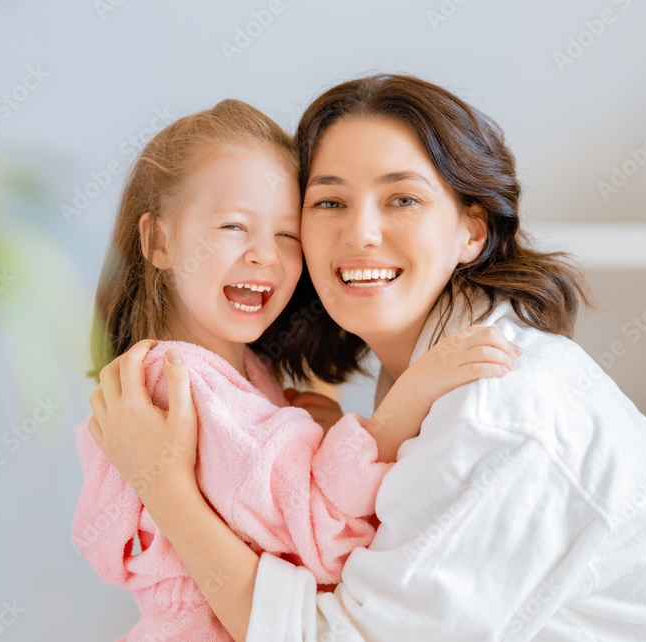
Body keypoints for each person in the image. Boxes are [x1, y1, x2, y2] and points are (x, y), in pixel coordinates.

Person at [88, 75, 646, 641]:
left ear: (471, 229)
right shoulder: (402, 376)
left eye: (402, 198)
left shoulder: (498, 413)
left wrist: (166, 488)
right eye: (329, 201)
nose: (362, 232)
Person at [72, 98, 521, 641]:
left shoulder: (245, 374)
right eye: (234, 226)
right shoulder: (180, 384)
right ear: (160, 240)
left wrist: (319, 434)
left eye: (287, 235)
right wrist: (412, 395)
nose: (266, 255)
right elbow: (319, 531)